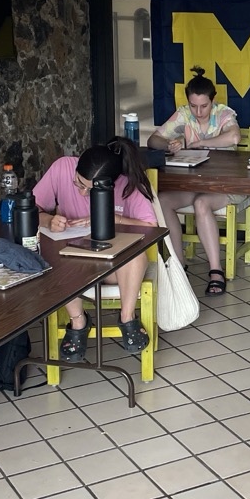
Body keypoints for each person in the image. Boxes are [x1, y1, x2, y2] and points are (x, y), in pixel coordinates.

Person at [34, 139, 155, 358]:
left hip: (113, 267)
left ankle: (127, 317)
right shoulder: (62, 168)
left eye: (90, 191)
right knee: (59, 262)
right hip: (73, 264)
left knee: (136, 257)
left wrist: (114, 218)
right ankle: (78, 321)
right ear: (77, 166)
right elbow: (32, 207)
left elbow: (150, 227)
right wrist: (47, 219)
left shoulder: (128, 184)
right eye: (79, 183)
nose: (82, 193)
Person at [148, 66, 242, 296]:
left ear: (213, 101)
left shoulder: (224, 114)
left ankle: (215, 271)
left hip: (227, 184)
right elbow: (153, 140)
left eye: (204, 106)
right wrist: (169, 145)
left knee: (201, 203)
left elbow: (234, 136)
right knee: (162, 200)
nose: (198, 112)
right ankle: (178, 264)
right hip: (195, 183)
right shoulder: (184, 115)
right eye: (193, 106)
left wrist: (197, 144)